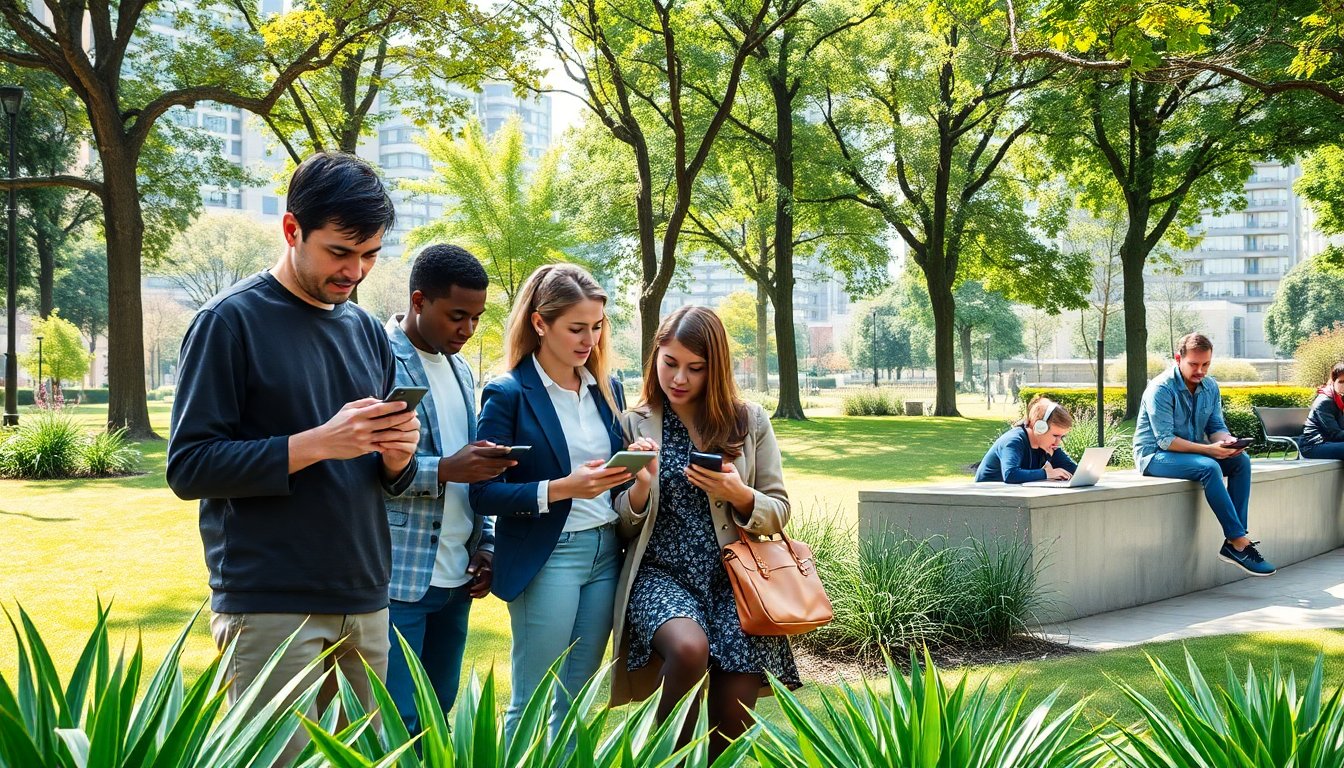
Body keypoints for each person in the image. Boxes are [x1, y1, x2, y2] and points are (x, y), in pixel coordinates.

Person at [166, 151, 420, 760]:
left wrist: (396, 457)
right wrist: (316, 444)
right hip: (270, 602)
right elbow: (190, 466)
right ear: (291, 230)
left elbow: (389, 477)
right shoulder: (228, 323)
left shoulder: (364, 330)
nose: (355, 272)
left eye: (370, 256)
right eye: (339, 252)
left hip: (364, 593)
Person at [611, 305, 799, 759]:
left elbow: (780, 509)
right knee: (689, 649)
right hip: (660, 575)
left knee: (731, 728)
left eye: (695, 368)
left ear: (714, 370)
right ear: (655, 355)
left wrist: (740, 494)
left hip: (735, 582)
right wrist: (640, 487)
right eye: (669, 363)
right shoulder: (632, 423)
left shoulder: (747, 421)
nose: (679, 378)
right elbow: (618, 521)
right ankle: (665, 757)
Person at [468, 263, 630, 738]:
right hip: (549, 556)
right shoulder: (508, 393)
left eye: (598, 327)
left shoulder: (607, 390)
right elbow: (482, 493)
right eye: (577, 328)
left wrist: (631, 464)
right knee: (533, 700)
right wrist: (562, 488)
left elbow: (612, 484)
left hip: (605, 554)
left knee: (578, 702)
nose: (590, 340)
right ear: (540, 323)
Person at [382, 244, 517, 733]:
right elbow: (363, 470)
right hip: (400, 578)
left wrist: (485, 545)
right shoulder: (378, 359)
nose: (468, 330)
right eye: (457, 316)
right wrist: (442, 469)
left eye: (477, 318)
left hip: (457, 577)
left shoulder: (461, 369)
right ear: (419, 301)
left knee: (439, 713)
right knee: (397, 722)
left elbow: (472, 469)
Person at [1134, 332, 1275, 576]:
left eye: (1206, 364)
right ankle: (1239, 541)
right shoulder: (1161, 388)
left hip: (1191, 453)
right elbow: (1165, 441)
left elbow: (1215, 427)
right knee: (1209, 467)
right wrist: (1209, 451)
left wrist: (1228, 442)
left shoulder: (1210, 387)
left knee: (1240, 461)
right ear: (1178, 358)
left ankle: (1235, 541)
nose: (1201, 370)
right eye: (1194, 364)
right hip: (1155, 456)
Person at [974, 396, 1077, 483]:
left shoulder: (1046, 446)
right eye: (1055, 436)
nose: (1058, 442)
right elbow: (1010, 474)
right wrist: (1047, 473)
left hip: (1012, 501)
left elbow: (1073, 469)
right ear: (1040, 428)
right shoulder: (1013, 441)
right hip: (985, 501)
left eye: (1062, 437)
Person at [1302, 362, 1344, 460]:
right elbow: (1335, 434)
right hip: (1314, 445)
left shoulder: (1341, 398)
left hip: (1331, 443)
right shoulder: (1325, 401)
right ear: (1333, 382)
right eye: (1341, 382)